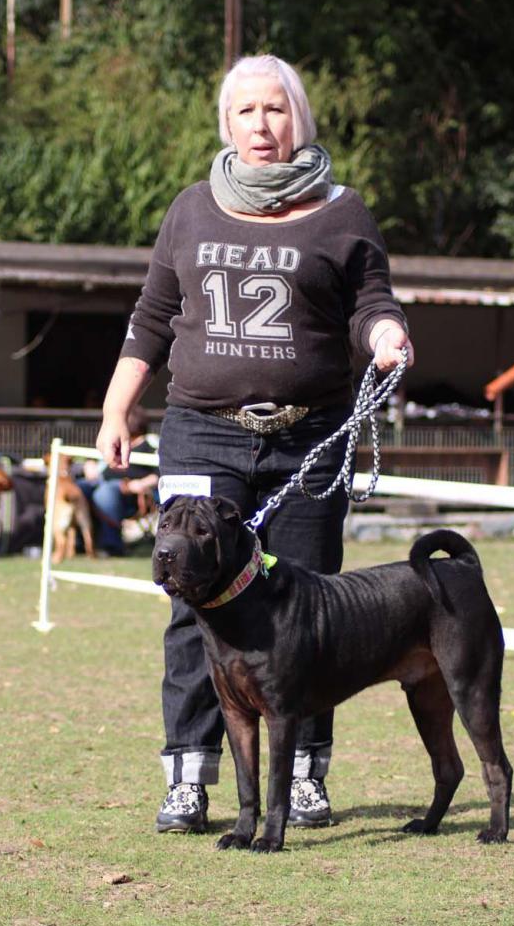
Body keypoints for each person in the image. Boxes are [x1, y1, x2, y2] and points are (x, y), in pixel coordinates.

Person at [96, 54, 414, 834]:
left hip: (308, 435)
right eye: (246, 111)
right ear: (226, 123)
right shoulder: (191, 208)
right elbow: (153, 316)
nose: (262, 125)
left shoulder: (342, 210)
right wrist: (116, 408)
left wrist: (386, 334)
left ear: (298, 118)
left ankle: (303, 775)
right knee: (189, 598)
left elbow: (370, 301)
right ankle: (187, 776)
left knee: (311, 606)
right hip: (202, 432)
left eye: (276, 109)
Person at [79, 407, 159, 557]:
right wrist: (90, 464)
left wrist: (142, 483)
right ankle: (81, 542)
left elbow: (160, 472)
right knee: (79, 488)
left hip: (132, 492)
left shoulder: (150, 443)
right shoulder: (115, 442)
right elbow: (94, 460)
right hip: (100, 481)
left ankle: (111, 544)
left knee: (105, 492)